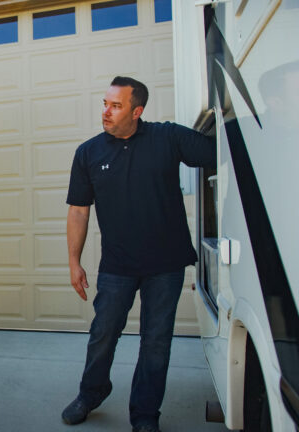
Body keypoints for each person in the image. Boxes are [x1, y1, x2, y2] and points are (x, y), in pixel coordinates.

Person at [61, 76, 215, 432]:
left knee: (156, 343)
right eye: (104, 103)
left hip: (167, 265)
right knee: (103, 333)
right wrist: (74, 262)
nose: (106, 112)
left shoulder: (168, 137)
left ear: (137, 110)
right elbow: (79, 210)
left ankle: (145, 415)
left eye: (115, 106)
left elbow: (217, 151)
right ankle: (92, 392)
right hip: (118, 266)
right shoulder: (88, 152)